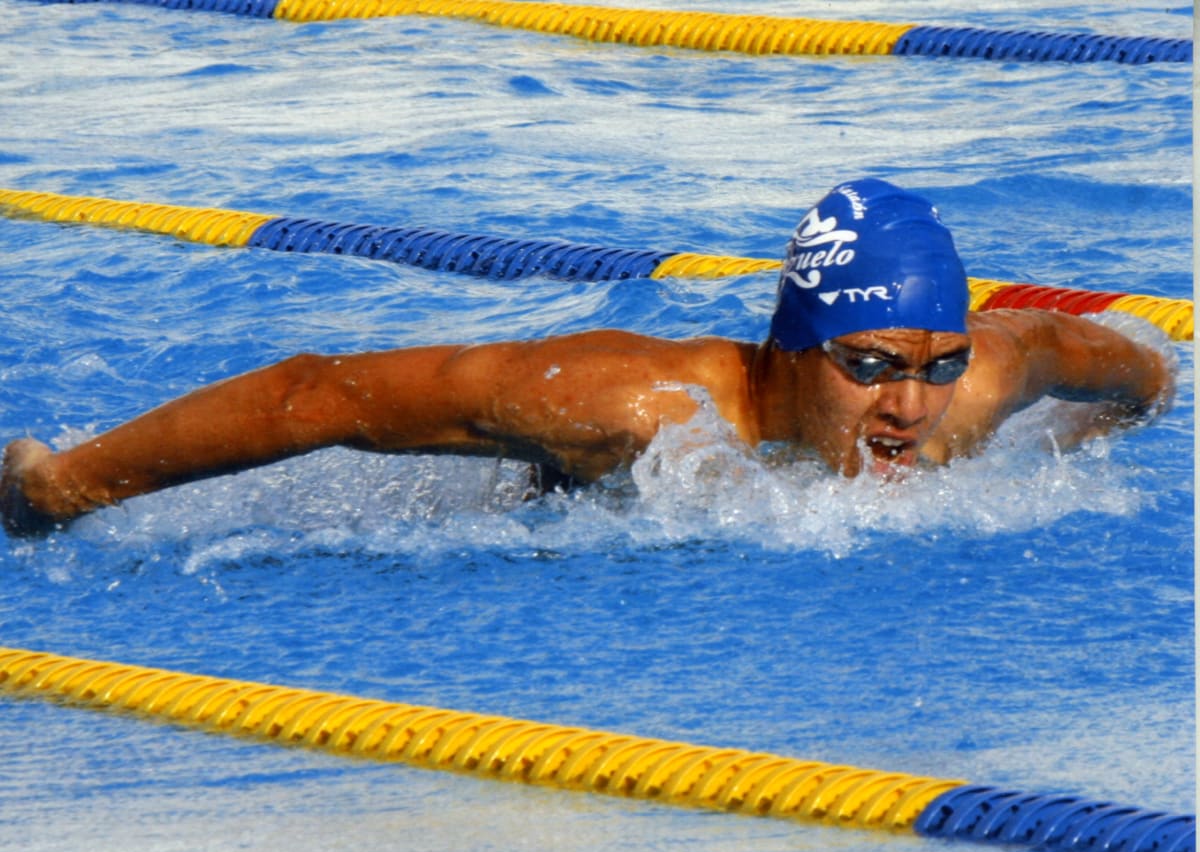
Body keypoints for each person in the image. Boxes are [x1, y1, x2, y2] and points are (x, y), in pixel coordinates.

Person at [1, 178, 1174, 537]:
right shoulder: (636, 406)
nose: (910, 406)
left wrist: (1113, 419)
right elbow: (318, 394)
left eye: (935, 363)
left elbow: (1126, 366)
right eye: (868, 366)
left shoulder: (983, 381)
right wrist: (65, 483)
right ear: (792, 346)